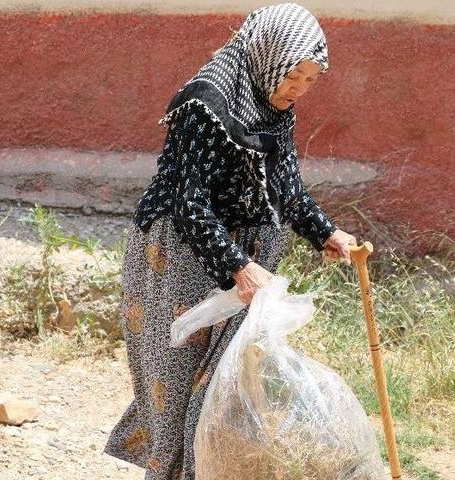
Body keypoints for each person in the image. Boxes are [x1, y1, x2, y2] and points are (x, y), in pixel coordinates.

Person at [103, 3, 357, 479]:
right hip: (180, 257)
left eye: (309, 80)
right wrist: (239, 266)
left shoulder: (273, 103)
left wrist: (326, 232)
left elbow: (286, 184)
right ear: (270, 56)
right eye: (293, 77)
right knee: (177, 385)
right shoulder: (206, 102)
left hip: (244, 259)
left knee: (229, 382)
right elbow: (189, 202)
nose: (298, 90)